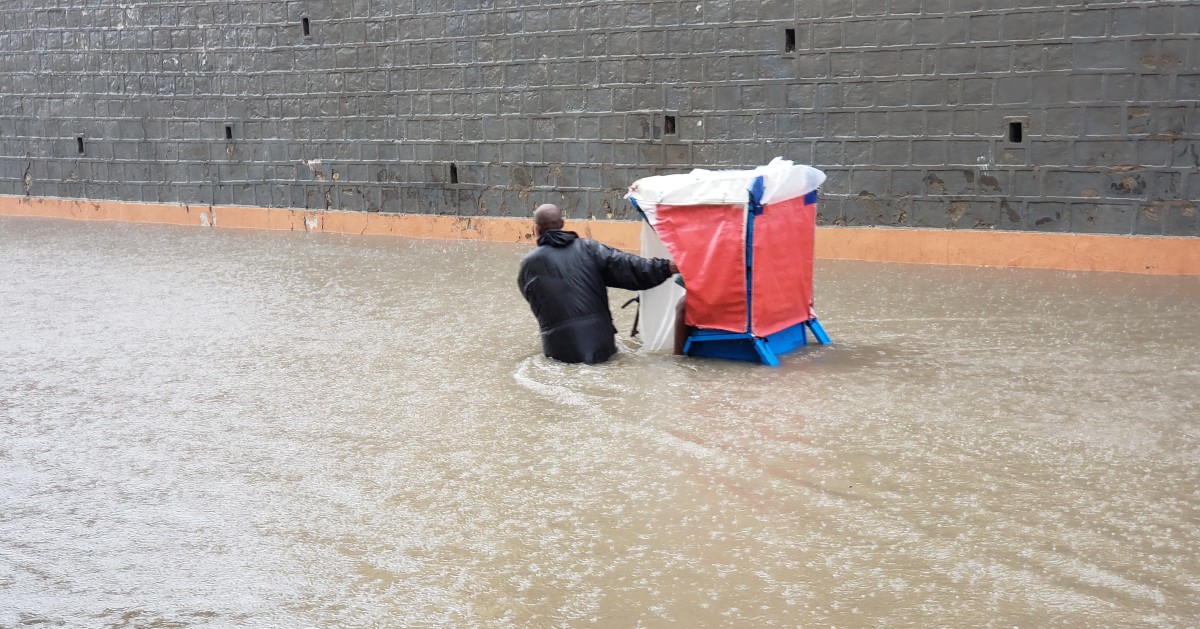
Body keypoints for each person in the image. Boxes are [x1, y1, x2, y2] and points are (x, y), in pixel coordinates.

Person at [518, 203, 677, 364]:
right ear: (562, 224)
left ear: (536, 228)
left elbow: (535, 301)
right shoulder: (589, 249)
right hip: (600, 343)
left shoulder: (527, 266)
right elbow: (632, 267)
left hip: (558, 349)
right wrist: (670, 267)